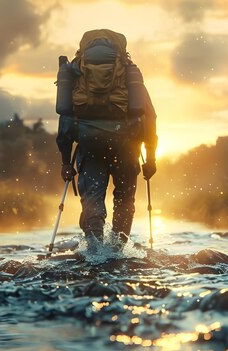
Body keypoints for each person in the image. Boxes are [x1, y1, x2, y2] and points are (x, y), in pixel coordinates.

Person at [56, 29, 157, 252]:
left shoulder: (76, 74)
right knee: (124, 200)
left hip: (89, 147)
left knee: (92, 200)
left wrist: (65, 162)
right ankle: (118, 252)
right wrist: (151, 159)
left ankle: (94, 252)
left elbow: (65, 120)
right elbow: (150, 118)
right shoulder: (129, 74)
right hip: (127, 147)